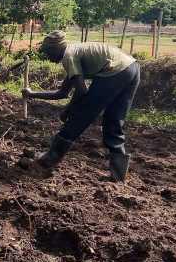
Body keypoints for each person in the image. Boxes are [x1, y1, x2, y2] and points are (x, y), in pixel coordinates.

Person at [22, 31, 140, 182]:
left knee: (80, 116)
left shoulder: (68, 56)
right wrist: (32, 94)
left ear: (56, 49)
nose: (48, 57)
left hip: (114, 72)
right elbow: (63, 92)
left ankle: (49, 160)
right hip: (132, 68)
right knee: (114, 120)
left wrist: (70, 110)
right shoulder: (75, 52)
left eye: (48, 53)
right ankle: (118, 174)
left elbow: (82, 90)